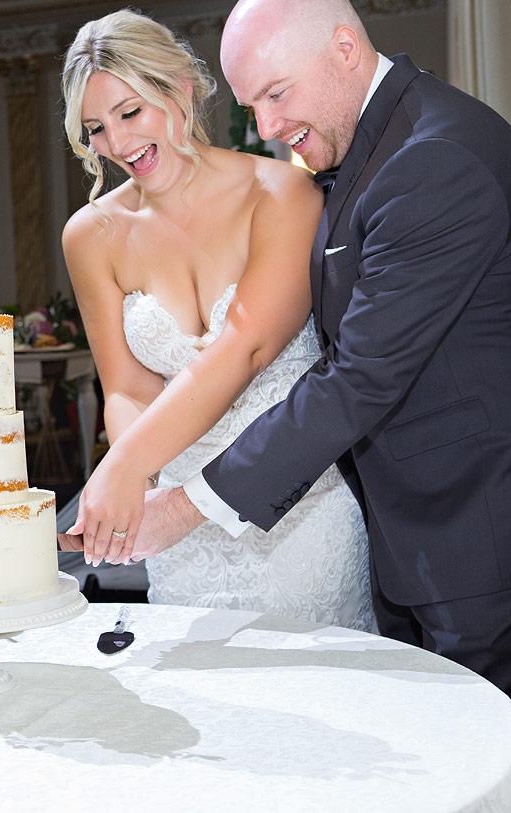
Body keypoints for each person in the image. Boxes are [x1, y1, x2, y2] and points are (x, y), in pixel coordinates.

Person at [79, 0, 511, 711]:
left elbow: (355, 378)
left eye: (276, 94)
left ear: (347, 49)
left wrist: (184, 503)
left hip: (489, 530)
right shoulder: (370, 146)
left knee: (483, 756)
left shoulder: (431, 159)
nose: (265, 127)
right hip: (412, 530)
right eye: (251, 104)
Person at [58, 10, 374, 631]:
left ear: (180, 87)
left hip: (297, 510)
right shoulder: (90, 236)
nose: (117, 145)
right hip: (176, 531)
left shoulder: (283, 193)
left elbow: (248, 347)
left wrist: (120, 468)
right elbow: (123, 386)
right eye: (95, 128)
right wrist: (143, 476)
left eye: (130, 113)